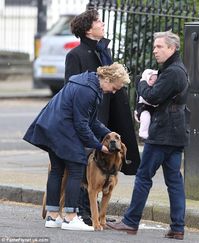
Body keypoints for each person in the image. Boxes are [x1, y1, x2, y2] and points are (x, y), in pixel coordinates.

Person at [23, 62, 130, 231]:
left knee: (57, 169)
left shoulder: (88, 82)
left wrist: (108, 134)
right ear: (108, 79)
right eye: (115, 87)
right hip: (62, 129)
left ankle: (52, 216)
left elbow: (92, 121)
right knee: (77, 166)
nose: (114, 91)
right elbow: (81, 125)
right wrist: (99, 146)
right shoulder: (88, 91)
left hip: (51, 126)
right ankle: (70, 218)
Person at [107, 31, 190, 240]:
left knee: (144, 176)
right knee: (174, 180)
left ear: (172, 48)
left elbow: (153, 95)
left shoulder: (173, 72)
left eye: (159, 47)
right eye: (154, 47)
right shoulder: (173, 69)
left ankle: (131, 221)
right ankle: (177, 227)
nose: (155, 50)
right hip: (175, 131)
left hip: (163, 133)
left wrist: (140, 82)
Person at [64, 9, 140, 224]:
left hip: (103, 117)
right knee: (86, 164)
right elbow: (70, 87)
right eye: (98, 21)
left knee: (100, 165)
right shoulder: (75, 55)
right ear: (88, 28)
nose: (103, 23)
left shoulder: (102, 51)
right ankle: (83, 212)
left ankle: (94, 212)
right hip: (86, 118)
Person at [134, 69, 158, 139]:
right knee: (145, 116)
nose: (153, 81)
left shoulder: (156, 88)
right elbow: (144, 98)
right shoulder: (143, 87)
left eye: (155, 80)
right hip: (144, 107)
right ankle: (143, 132)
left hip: (154, 110)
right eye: (150, 79)